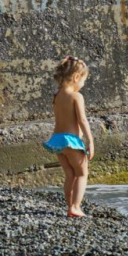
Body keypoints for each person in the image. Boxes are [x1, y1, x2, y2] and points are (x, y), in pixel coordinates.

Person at [43, 56, 95, 217]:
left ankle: (69, 205)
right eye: (83, 81)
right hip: (71, 141)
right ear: (76, 77)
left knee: (69, 175)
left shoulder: (57, 96)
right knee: (81, 174)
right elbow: (82, 120)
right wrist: (90, 141)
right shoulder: (76, 96)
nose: (83, 85)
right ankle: (76, 206)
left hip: (57, 140)